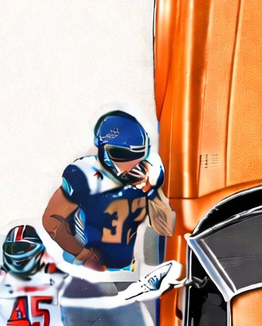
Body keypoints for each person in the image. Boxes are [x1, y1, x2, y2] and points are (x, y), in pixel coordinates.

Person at [41, 111, 175, 273]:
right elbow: (51, 221)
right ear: (104, 151)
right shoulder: (84, 174)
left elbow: (166, 229)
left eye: (139, 152)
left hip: (126, 270)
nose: (133, 162)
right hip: (86, 271)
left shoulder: (148, 172)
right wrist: (83, 254)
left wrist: (149, 190)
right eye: (123, 154)